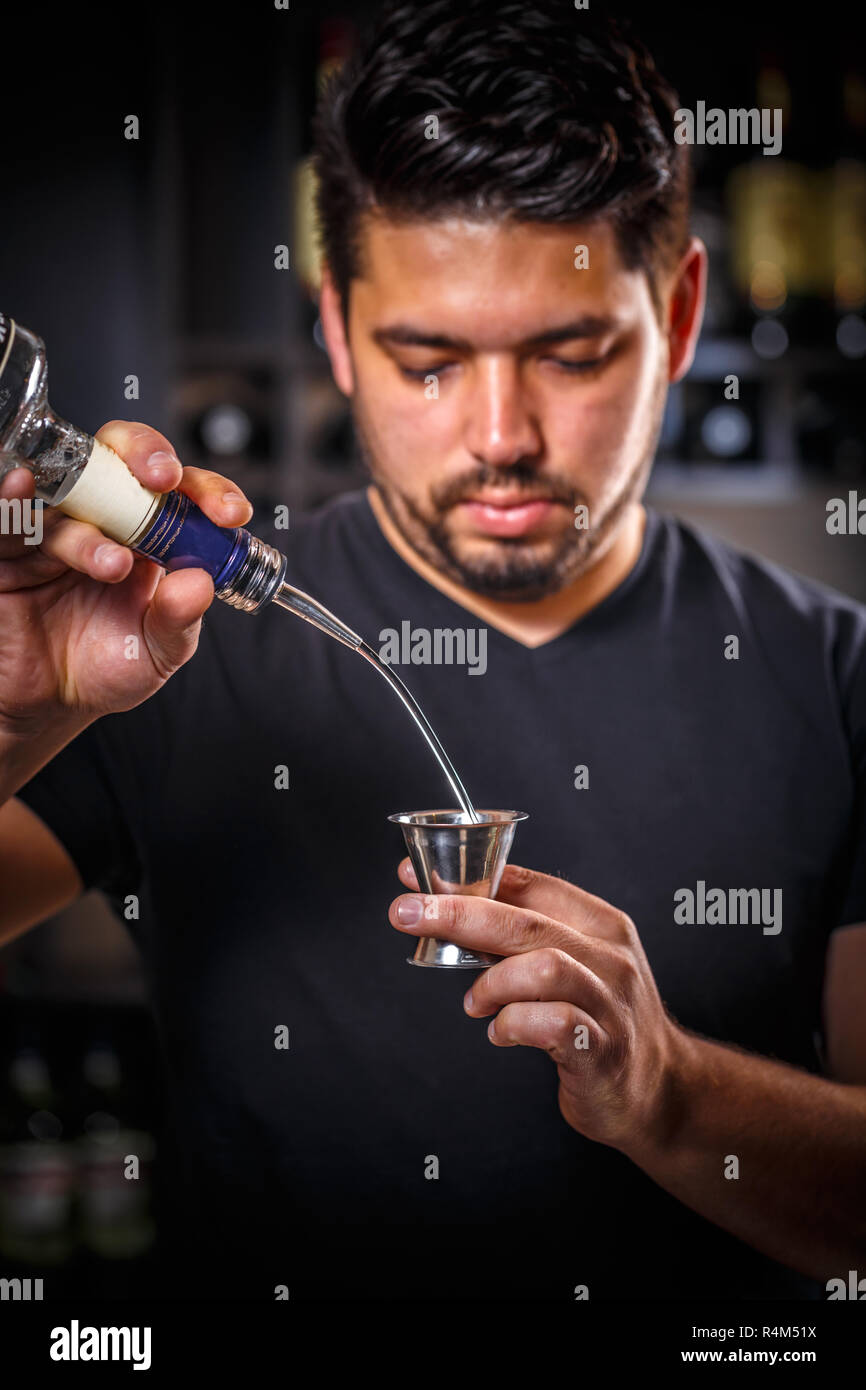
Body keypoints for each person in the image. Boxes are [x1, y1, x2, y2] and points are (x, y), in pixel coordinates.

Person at [1, 0, 865, 1302]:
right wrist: (14, 710)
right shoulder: (165, 642)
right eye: (426, 362)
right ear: (340, 333)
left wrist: (666, 1092)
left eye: (570, 353)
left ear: (680, 315)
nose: (500, 433)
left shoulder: (835, 679)